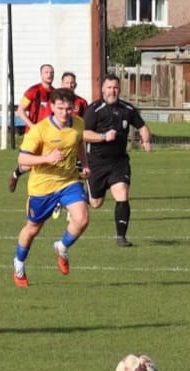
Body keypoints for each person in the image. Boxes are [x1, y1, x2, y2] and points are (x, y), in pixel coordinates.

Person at [12, 88, 91, 287]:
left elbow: (78, 143)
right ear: (52, 107)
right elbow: (22, 159)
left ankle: (61, 247)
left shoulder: (78, 124)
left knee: (82, 219)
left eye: (69, 108)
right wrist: (47, 158)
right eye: (60, 108)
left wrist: (85, 164)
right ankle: (19, 264)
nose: (65, 113)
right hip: (42, 187)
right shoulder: (40, 130)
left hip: (68, 181)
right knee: (33, 229)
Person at [83, 74, 152, 247]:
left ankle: (121, 237)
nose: (112, 91)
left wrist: (146, 139)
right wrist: (103, 136)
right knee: (96, 203)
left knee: (122, 193)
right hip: (96, 162)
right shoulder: (94, 110)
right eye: (109, 87)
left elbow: (142, 126)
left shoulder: (127, 109)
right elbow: (83, 134)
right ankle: (79, 195)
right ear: (103, 89)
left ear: (119, 89)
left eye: (115, 88)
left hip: (118, 162)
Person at [9, 64, 55, 193]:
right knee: (28, 166)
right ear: (41, 75)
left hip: (48, 134)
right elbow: (21, 110)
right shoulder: (33, 91)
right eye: (46, 72)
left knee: (50, 162)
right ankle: (16, 174)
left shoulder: (55, 93)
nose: (49, 74)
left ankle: (49, 192)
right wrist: (32, 126)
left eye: (51, 72)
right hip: (33, 133)